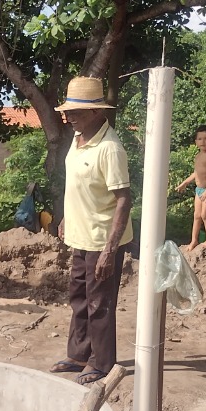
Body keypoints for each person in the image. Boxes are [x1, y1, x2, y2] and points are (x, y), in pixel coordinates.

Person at [48, 75, 133, 386]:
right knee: (79, 298)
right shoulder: (78, 138)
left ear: (97, 112)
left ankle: (102, 362)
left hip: (102, 239)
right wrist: (66, 218)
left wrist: (110, 249)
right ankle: (79, 354)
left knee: (100, 303)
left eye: (76, 113)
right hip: (80, 235)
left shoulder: (110, 148)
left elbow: (124, 199)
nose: (69, 118)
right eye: (67, 113)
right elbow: (78, 186)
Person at [174, 124, 206, 249]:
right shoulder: (198, 156)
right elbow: (196, 173)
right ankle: (194, 240)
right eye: (199, 139)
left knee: (205, 214)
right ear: (195, 142)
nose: (202, 141)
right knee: (197, 215)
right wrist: (185, 182)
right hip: (198, 189)